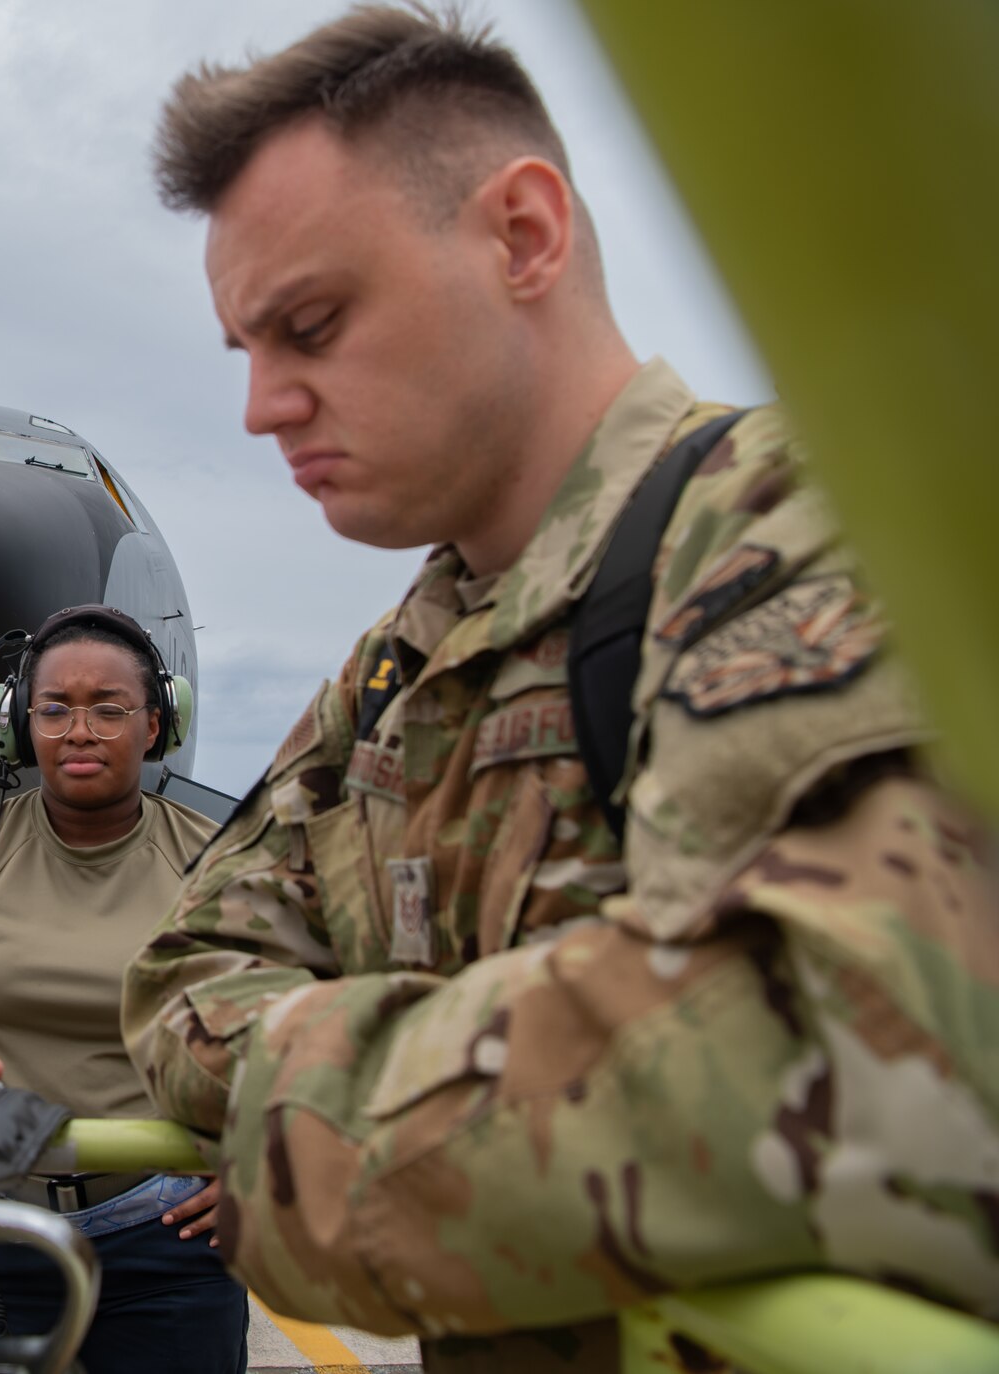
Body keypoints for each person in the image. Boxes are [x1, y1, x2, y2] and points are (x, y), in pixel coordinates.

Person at [121, 7, 999, 1372]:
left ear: (525, 236)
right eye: (246, 349)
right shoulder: (401, 664)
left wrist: (304, 1160)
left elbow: (852, 1072)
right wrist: (489, 1099)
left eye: (310, 324)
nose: (262, 407)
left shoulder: (798, 534)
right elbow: (181, 973)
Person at [0, 604, 249, 1374]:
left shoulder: (218, 862)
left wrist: (265, 1162)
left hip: (172, 1241)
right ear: (17, 725)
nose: (80, 731)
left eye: (109, 709)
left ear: (156, 725)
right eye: (54, 709)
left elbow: (319, 1024)